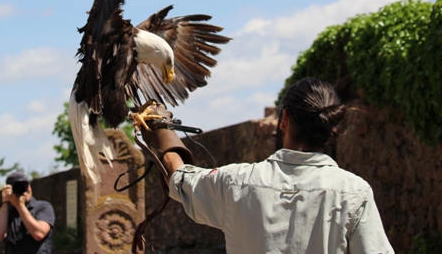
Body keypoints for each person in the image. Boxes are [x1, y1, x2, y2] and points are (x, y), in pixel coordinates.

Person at [141, 77, 394, 254]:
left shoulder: (236, 182)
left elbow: (178, 177)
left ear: (283, 120)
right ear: (331, 129)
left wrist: (160, 128)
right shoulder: (354, 192)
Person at [0, 172, 55, 254]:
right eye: (17, 186)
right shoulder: (7, 211)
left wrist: (20, 206)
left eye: (26, 185)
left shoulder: (43, 206)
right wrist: (5, 204)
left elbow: (39, 234)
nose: (25, 189)